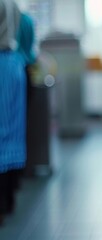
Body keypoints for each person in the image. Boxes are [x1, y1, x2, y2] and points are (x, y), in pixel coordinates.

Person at [0, 0, 26, 224]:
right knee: (11, 130)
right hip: (12, 65)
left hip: (4, 64)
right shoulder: (14, 6)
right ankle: (8, 201)